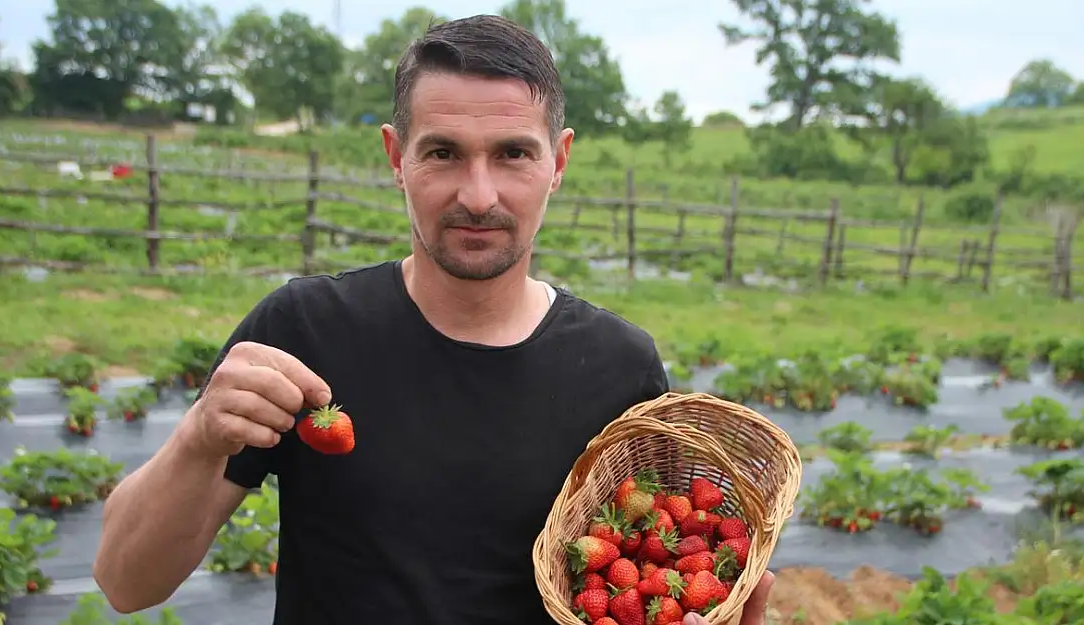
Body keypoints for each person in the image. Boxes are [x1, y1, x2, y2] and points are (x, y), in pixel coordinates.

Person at [92, 13, 775, 625]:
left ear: (559, 161)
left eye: (513, 153)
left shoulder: (619, 365)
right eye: (443, 152)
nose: (479, 195)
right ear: (396, 156)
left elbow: (653, 582)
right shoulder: (303, 332)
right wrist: (198, 436)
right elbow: (126, 582)